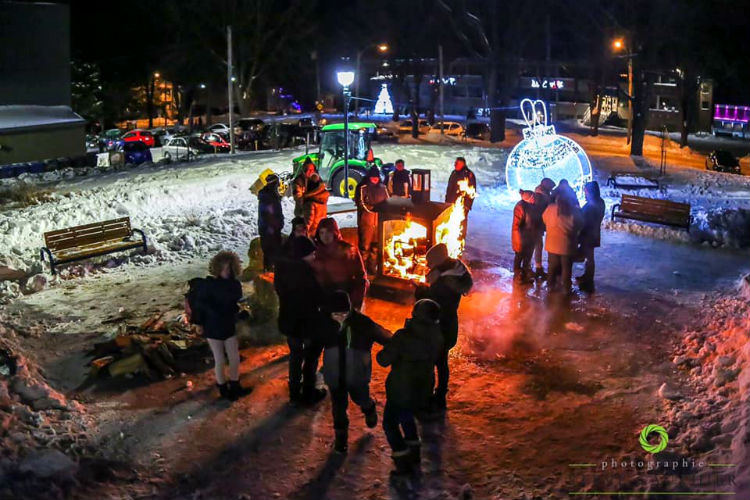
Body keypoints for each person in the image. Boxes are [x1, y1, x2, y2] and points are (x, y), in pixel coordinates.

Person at [377, 299, 443, 475]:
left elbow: (383, 360)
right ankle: (414, 453)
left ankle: (403, 460)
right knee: (407, 416)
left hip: (401, 389)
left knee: (390, 424)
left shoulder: (403, 337)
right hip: (422, 389)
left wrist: (389, 345)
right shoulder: (437, 336)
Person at [321, 290, 391, 453]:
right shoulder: (325, 323)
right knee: (338, 407)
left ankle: (369, 407)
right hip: (335, 373)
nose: (340, 317)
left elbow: (383, 335)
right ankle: (341, 439)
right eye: (335, 314)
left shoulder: (362, 323)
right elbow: (315, 337)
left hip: (357, 373)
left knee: (360, 397)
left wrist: (395, 343)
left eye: (343, 313)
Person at [415, 243, 473, 410]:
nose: (428, 266)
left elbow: (431, 305)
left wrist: (420, 291)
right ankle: (440, 394)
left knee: (431, 362)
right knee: (442, 362)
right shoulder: (455, 272)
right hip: (449, 325)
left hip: (438, 328)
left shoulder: (442, 283)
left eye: (430, 262)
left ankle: (430, 396)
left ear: (438, 262)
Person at [274, 237, 327, 405]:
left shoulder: (282, 269)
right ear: (301, 255)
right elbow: (319, 298)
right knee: (311, 358)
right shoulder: (308, 274)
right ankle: (309, 392)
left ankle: (294, 394)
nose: (313, 256)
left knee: (295, 356)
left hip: (290, 322)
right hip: (308, 324)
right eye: (311, 254)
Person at [187, 251, 245, 400]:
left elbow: (232, 304)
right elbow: (201, 307)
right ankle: (224, 388)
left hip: (225, 324)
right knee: (220, 359)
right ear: (218, 269)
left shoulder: (230, 284)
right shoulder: (211, 286)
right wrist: (199, 323)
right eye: (225, 269)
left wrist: (237, 313)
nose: (227, 272)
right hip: (214, 326)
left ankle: (234, 385)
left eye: (229, 269)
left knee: (234, 358)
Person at [313, 217, 368, 310]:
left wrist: (355, 303)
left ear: (335, 232)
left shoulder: (349, 250)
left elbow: (361, 278)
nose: (325, 236)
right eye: (321, 233)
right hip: (322, 300)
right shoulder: (314, 252)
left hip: (346, 297)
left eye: (328, 232)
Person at [542, 194, 583, 294]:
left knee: (552, 266)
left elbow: (544, 219)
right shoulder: (573, 211)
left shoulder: (550, 208)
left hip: (551, 244)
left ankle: (550, 285)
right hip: (567, 245)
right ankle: (566, 288)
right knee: (566, 268)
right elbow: (580, 225)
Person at [355, 165, 389, 274]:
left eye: (377, 177)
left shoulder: (383, 188)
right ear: (369, 177)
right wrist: (373, 210)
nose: (375, 179)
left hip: (379, 222)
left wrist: (384, 213)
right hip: (366, 221)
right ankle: (361, 269)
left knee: (375, 247)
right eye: (373, 177)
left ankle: (372, 268)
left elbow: (388, 201)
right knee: (365, 246)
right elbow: (361, 203)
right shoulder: (363, 188)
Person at [576, 181, 605, 293]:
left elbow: (583, 219)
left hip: (587, 235)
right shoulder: (600, 202)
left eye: (586, 191)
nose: (585, 193)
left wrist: (578, 210)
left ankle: (588, 280)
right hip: (594, 234)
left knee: (588, 257)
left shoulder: (590, 206)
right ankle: (587, 276)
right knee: (589, 257)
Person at [512, 189, 543, 284]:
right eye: (532, 197)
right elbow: (516, 226)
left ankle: (525, 275)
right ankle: (517, 276)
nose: (535, 198)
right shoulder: (520, 207)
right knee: (519, 257)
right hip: (522, 238)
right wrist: (518, 241)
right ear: (528, 199)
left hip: (531, 237)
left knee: (528, 257)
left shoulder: (533, 206)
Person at [445, 157, 477, 240]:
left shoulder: (468, 175)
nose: (455, 165)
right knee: (452, 220)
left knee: (461, 221)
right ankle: (452, 237)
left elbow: (472, 191)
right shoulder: (454, 173)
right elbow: (449, 189)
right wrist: (446, 201)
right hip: (451, 203)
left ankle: (460, 239)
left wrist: (467, 205)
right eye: (455, 163)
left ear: (463, 164)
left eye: (457, 163)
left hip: (463, 204)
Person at [257, 174, 284, 271]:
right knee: (272, 255)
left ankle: (269, 271)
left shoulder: (267, 196)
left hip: (267, 231)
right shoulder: (269, 198)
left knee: (269, 255)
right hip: (270, 232)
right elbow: (270, 216)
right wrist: (278, 226)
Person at [533, 178, 556, 278]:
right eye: (550, 188)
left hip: (537, 224)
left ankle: (536, 267)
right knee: (538, 245)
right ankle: (537, 268)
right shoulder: (542, 197)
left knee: (537, 245)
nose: (551, 190)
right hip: (537, 225)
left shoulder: (538, 195)